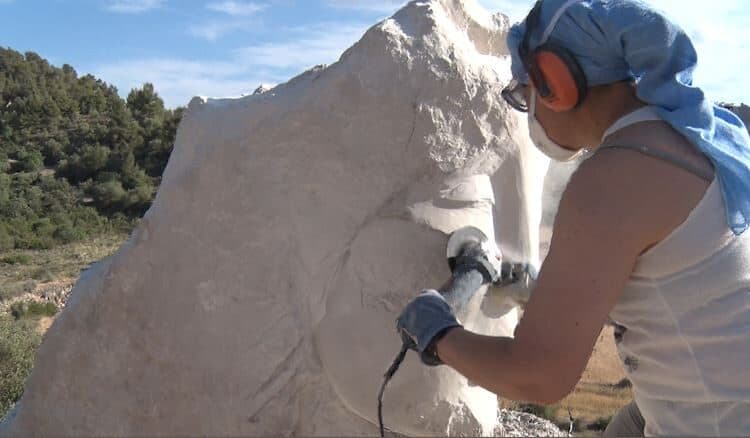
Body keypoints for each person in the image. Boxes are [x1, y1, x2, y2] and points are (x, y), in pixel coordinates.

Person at [395, 0, 750, 436]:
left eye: (523, 96)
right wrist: (544, 289)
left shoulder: (615, 177)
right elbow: (681, 286)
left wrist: (439, 334)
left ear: (554, 84)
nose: (527, 112)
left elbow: (539, 376)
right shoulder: (692, 138)